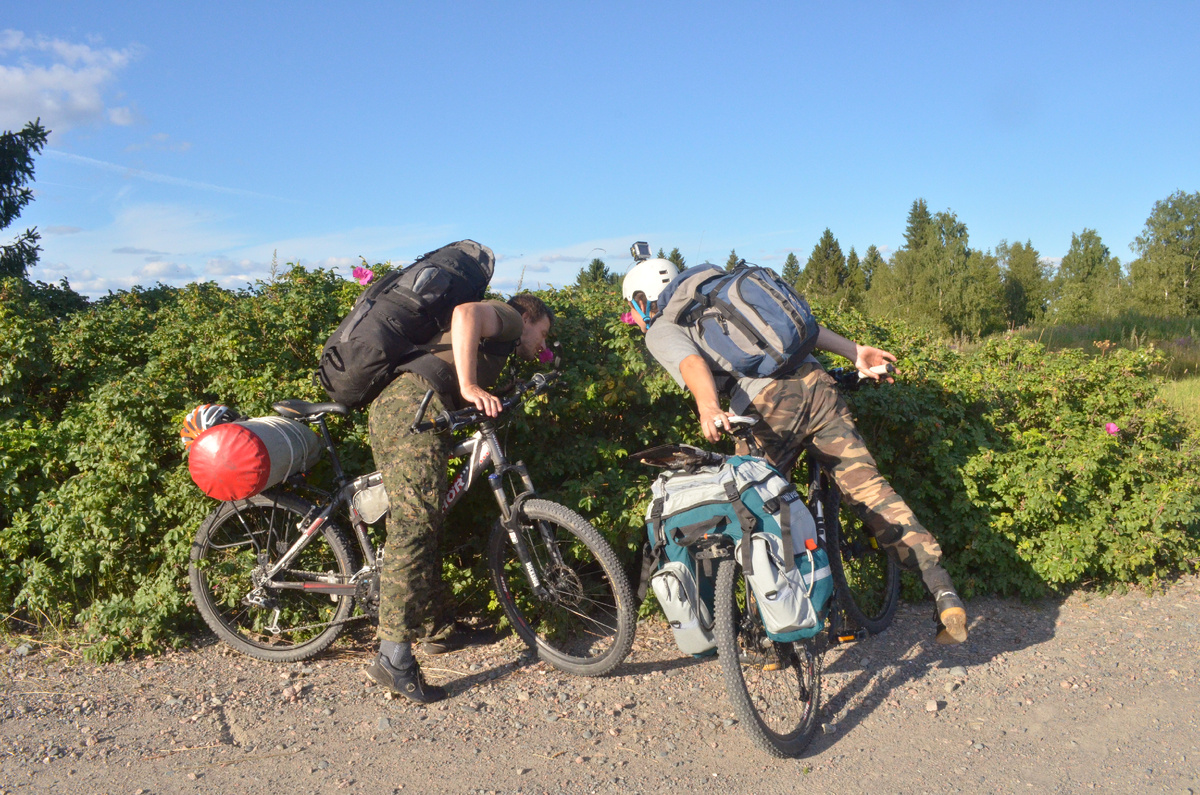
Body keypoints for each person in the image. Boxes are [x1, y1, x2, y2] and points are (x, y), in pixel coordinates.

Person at [622, 254, 968, 645]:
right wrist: (855, 352)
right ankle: (943, 591)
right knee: (870, 490)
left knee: (759, 514)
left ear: (641, 300)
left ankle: (774, 637)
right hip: (816, 384)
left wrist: (709, 406)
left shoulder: (665, 323)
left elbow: (690, 365)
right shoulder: (724, 284)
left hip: (766, 410)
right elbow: (803, 328)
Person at [366, 292, 554, 702]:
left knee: (429, 520)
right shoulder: (509, 317)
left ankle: (436, 630)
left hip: (416, 408)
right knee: (414, 527)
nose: (544, 345)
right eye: (544, 333)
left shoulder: (499, 347)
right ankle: (391, 657)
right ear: (531, 317)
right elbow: (465, 313)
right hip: (410, 408)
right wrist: (469, 385)